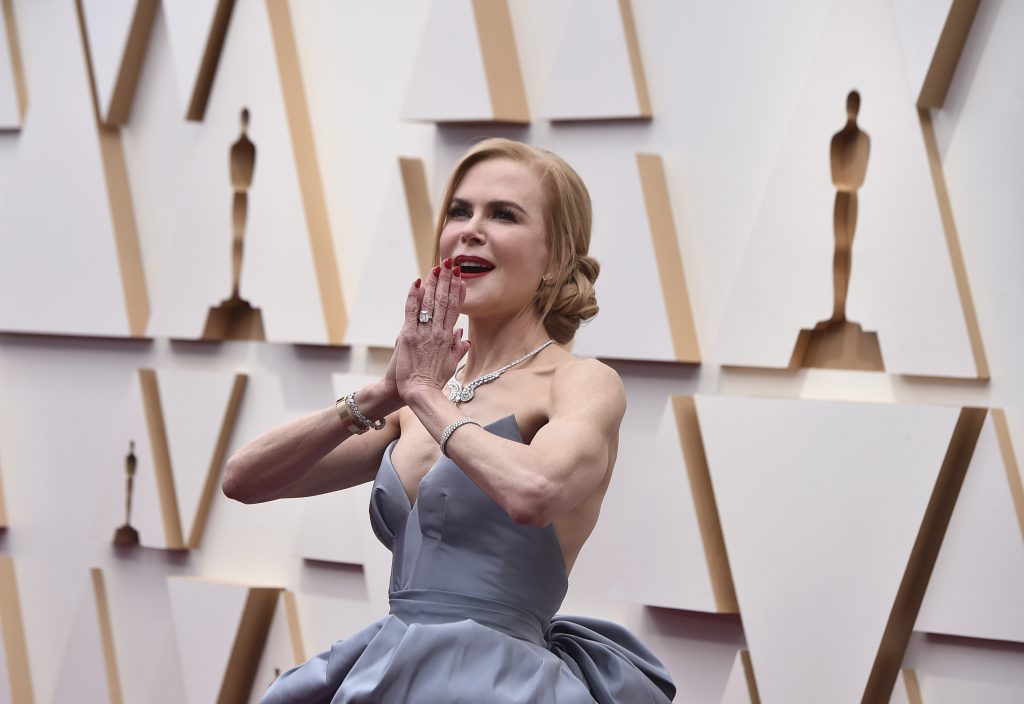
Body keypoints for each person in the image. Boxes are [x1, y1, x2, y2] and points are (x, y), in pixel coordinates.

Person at [223, 138, 676, 703]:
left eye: (503, 214)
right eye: (459, 211)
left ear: (556, 256)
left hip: (502, 683)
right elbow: (244, 480)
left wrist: (424, 396)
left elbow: (533, 492)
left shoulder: (580, 382)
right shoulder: (416, 395)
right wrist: (383, 392)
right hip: (389, 670)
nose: (470, 228)